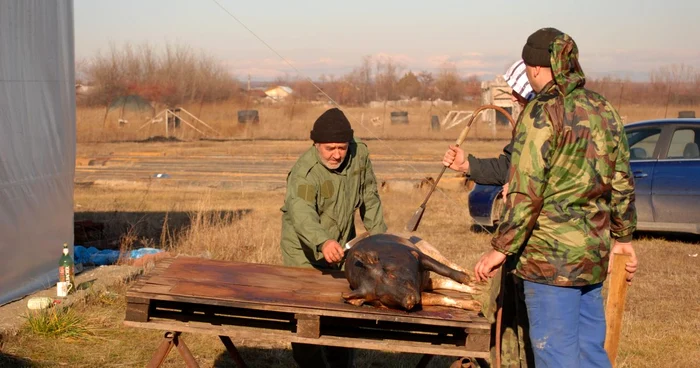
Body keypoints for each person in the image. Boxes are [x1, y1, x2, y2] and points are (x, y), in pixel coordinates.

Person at [473, 28, 639, 368]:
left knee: (556, 355)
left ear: (534, 68)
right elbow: (622, 179)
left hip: (549, 265)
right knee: (591, 354)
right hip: (591, 260)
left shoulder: (540, 113)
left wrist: (499, 248)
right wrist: (622, 238)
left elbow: (525, 192)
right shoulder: (603, 108)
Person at [280, 107, 387, 368]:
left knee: (343, 315)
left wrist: (382, 239)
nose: (337, 154)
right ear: (316, 144)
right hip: (304, 253)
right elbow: (302, 214)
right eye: (330, 148)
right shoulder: (305, 173)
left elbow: (370, 196)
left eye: (342, 147)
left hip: (343, 246)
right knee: (306, 319)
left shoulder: (359, 154)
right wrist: (323, 242)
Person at [443, 59, 534, 196]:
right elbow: (508, 167)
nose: (513, 98)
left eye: (518, 91)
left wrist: (523, 186)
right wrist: (466, 166)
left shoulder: (564, 121)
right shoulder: (527, 123)